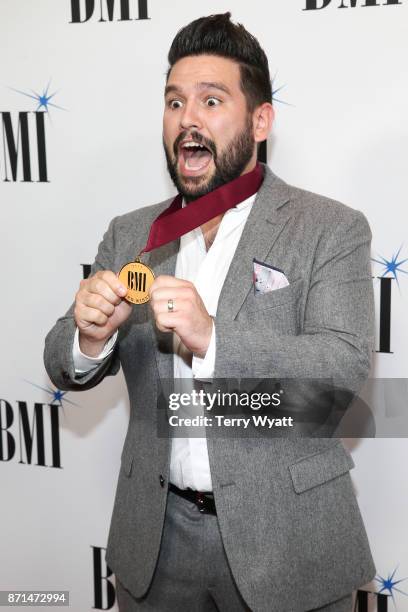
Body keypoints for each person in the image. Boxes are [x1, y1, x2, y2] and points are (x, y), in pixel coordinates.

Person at [44, 12, 376, 612]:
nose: (187, 121)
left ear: (261, 120)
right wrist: (88, 338)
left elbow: (344, 371)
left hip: (288, 542)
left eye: (211, 100)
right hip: (158, 543)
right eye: (174, 103)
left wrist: (214, 337)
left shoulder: (331, 228)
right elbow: (64, 359)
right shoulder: (132, 234)